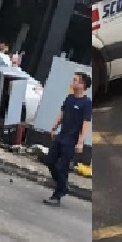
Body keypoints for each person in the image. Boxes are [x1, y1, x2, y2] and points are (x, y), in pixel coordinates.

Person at [43, 71, 92, 206]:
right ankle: (63, 185)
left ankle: (57, 195)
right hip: (61, 136)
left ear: (82, 84)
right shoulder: (69, 98)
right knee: (50, 161)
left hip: (71, 140)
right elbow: (62, 113)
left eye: (75, 80)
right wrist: (54, 127)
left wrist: (80, 142)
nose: (72, 82)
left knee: (62, 167)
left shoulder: (86, 103)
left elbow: (86, 123)